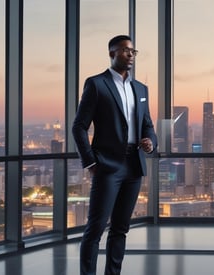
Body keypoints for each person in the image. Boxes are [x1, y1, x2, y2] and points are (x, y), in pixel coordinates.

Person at [72, 34, 158, 275]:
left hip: (134, 165)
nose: (130, 55)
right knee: (95, 229)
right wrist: (90, 162)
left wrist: (151, 141)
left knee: (120, 229)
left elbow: (148, 125)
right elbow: (78, 126)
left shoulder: (141, 89)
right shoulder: (96, 84)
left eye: (133, 51)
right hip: (107, 165)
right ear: (112, 54)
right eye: (124, 50)